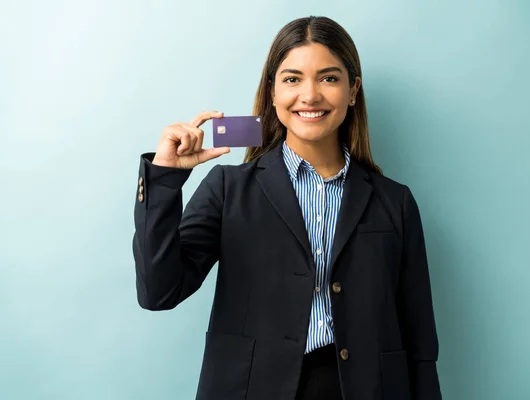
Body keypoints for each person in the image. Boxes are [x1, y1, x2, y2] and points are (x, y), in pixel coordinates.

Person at [132, 16, 442, 400]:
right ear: (273, 92)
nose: (309, 95)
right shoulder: (229, 189)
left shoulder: (394, 202)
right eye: (292, 79)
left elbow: (421, 343)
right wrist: (164, 179)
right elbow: (158, 292)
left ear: (353, 90)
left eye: (329, 78)